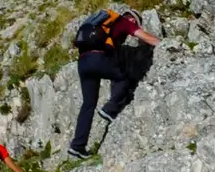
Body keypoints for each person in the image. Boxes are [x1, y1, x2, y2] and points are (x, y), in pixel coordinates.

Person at [67, 8, 161, 159]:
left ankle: (77, 146)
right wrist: (164, 44)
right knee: (125, 75)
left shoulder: (102, 25)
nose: (135, 25)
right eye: (136, 23)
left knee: (88, 105)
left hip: (83, 62)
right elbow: (145, 37)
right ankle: (110, 109)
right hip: (98, 59)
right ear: (132, 19)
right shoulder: (124, 22)